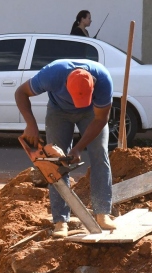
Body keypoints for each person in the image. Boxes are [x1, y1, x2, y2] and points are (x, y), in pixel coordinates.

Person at [15, 59, 117, 238]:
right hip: (58, 112)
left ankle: (102, 213)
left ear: (93, 84)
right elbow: (20, 92)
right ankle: (60, 221)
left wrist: (78, 148)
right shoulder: (52, 74)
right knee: (55, 163)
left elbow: (101, 119)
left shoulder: (103, 80)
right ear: (65, 84)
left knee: (99, 155)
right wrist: (30, 124)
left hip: (92, 114)